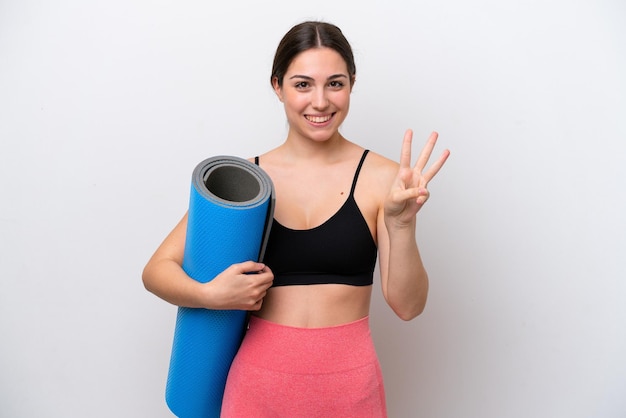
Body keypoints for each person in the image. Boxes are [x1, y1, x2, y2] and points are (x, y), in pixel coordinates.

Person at [142, 20, 449, 417]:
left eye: (334, 83)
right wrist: (211, 296)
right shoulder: (244, 182)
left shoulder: (384, 180)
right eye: (302, 84)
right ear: (277, 86)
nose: (320, 101)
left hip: (350, 391)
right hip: (257, 390)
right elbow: (155, 271)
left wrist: (402, 225)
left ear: (351, 84)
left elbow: (408, 306)